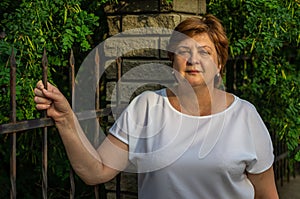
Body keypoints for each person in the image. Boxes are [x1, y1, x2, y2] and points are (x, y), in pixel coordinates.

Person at [34, 14, 279, 198]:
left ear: (219, 65)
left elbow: (267, 195)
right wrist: (66, 120)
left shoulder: (245, 116)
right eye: (184, 51)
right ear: (173, 60)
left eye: (205, 52)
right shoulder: (147, 107)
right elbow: (96, 171)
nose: (193, 60)